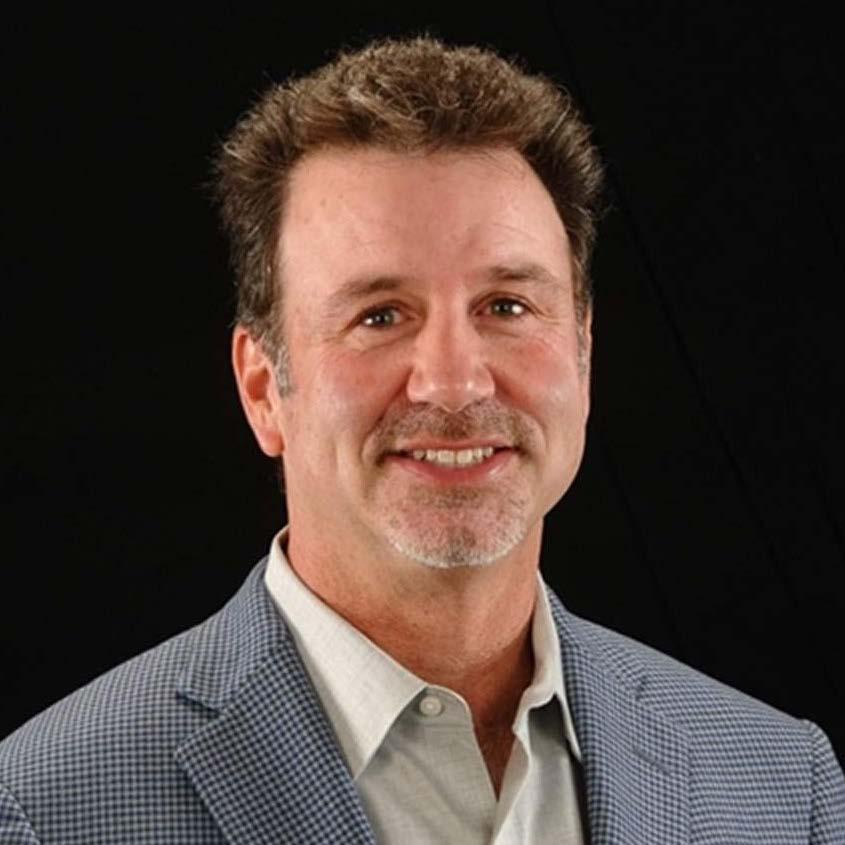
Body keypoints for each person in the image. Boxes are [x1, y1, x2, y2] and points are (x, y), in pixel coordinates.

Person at [1, 36, 842, 845]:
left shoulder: (781, 785)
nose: (454, 381)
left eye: (506, 306)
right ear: (262, 389)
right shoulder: (48, 807)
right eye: (379, 315)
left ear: (583, 355)